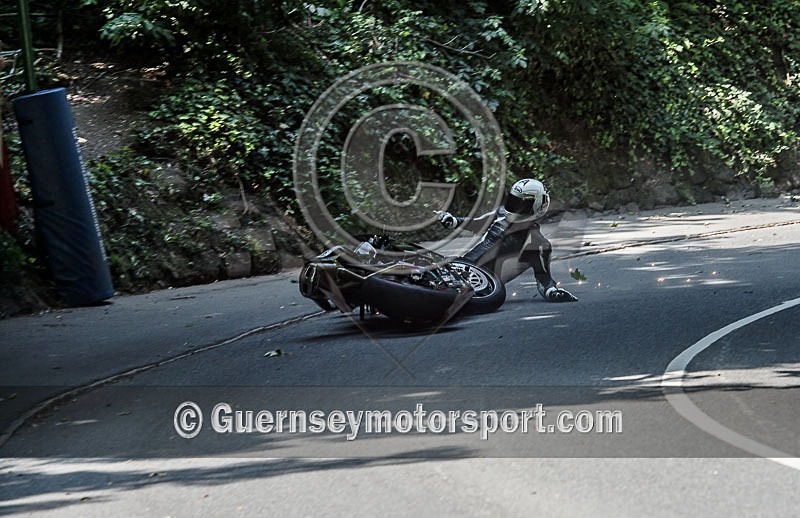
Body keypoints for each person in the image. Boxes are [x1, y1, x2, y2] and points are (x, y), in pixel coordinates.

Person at [437, 178, 578, 303]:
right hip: (462, 265)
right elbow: (477, 223)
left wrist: (553, 292)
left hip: (484, 285)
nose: (516, 207)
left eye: (523, 204)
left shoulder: (539, 245)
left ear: (537, 206)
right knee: (433, 264)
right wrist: (454, 221)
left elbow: (544, 278)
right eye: (514, 201)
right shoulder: (500, 214)